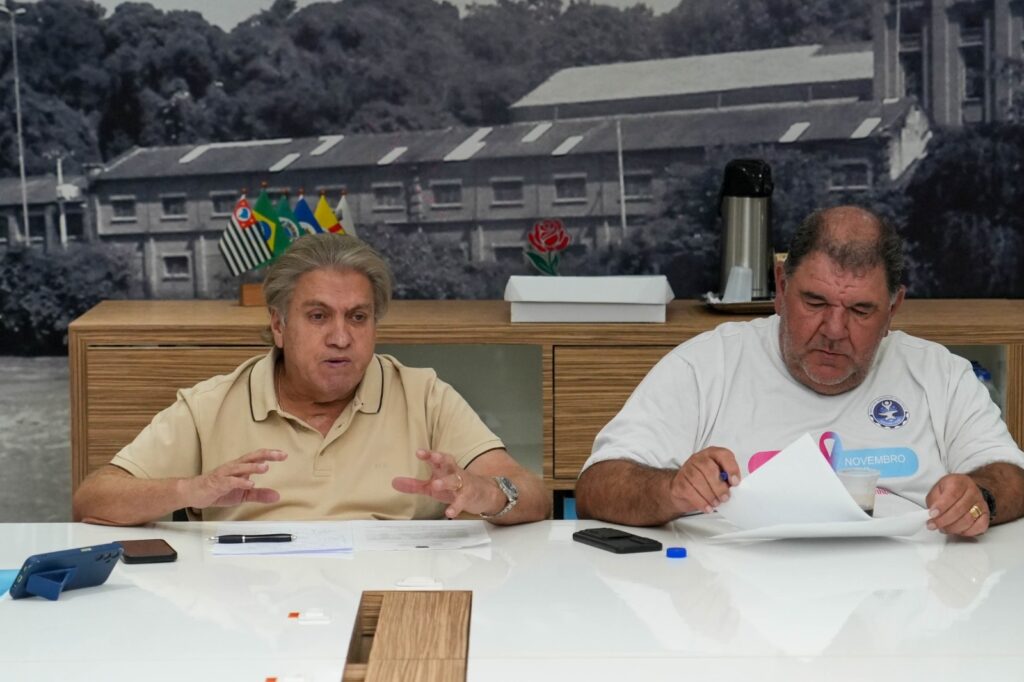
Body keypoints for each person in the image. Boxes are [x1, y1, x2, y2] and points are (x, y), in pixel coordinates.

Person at [575, 206, 1024, 537]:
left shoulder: (939, 374)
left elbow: (1010, 475)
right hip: (737, 612)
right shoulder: (707, 365)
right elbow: (597, 487)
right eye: (815, 303)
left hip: (901, 612)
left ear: (894, 309)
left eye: (861, 310)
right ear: (781, 288)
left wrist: (979, 497)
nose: (833, 330)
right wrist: (671, 489)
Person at [73, 233, 550, 525]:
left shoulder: (423, 394)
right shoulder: (211, 404)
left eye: (358, 317)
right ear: (280, 326)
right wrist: (189, 490)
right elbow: (93, 499)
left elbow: (534, 497)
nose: (341, 337)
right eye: (318, 316)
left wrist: (485, 493)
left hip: (395, 598)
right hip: (253, 608)